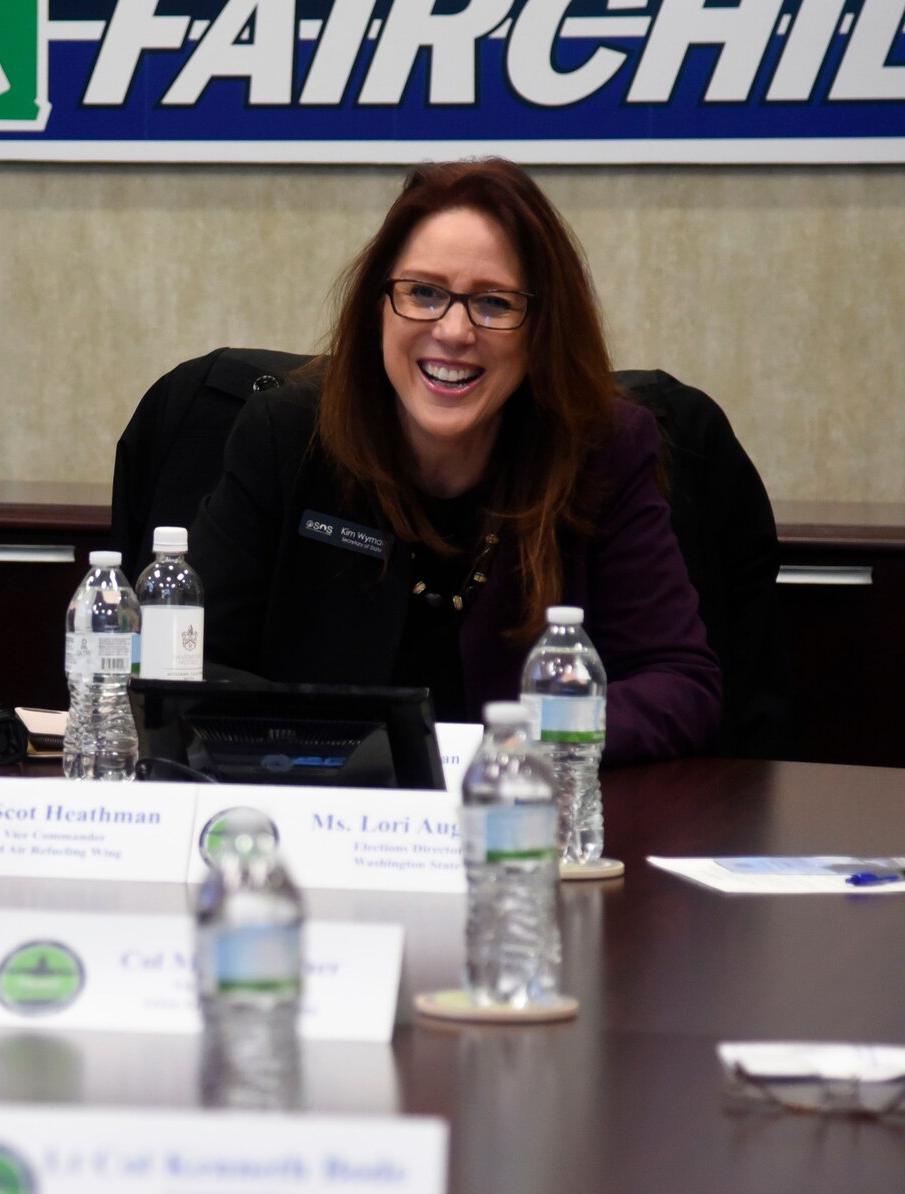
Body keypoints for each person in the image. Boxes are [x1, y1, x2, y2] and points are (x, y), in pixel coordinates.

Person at [189, 159, 721, 762]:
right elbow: (191, 661)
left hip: (521, 819)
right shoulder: (287, 435)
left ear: (541, 327)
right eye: (423, 293)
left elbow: (679, 683)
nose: (455, 330)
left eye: (494, 302)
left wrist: (528, 742)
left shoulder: (599, 450)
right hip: (326, 817)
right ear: (378, 307)